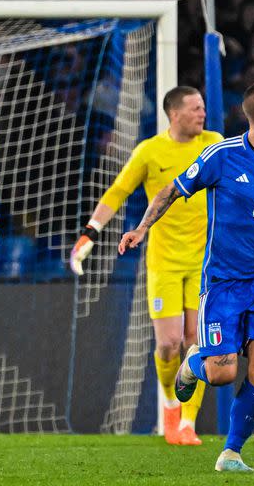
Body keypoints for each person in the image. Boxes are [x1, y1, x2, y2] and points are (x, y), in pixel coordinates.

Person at [119, 82, 254, 472]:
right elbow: (170, 192)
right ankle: (194, 363)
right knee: (223, 372)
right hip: (223, 281)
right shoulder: (221, 156)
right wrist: (142, 229)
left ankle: (232, 453)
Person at [70, 86, 223, 445]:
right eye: (195, 108)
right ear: (175, 114)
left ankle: (188, 422)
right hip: (164, 262)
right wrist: (90, 233)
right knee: (170, 345)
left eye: (203, 107)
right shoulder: (150, 151)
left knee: (195, 341)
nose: (203, 113)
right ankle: (171, 403)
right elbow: (118, 192)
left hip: (205, 261)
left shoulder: (214, 142)